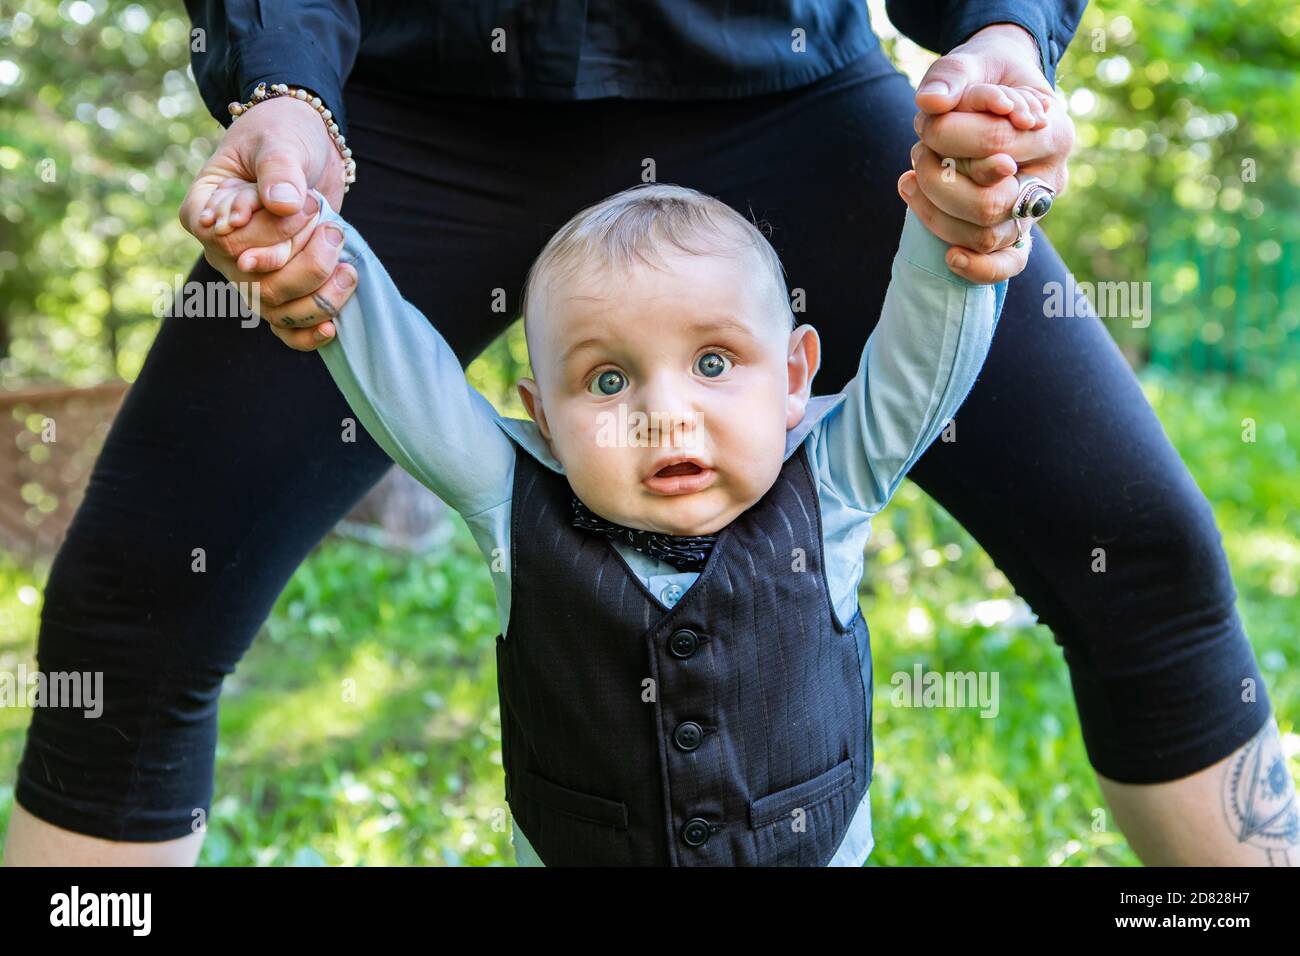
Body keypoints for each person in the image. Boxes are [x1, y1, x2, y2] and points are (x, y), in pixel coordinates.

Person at [5, 1, 1293, 866]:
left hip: (780, 78)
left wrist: (1001, 45)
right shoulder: (498, 468)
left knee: (1145, 555)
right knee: (134, 605)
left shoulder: (834, 464)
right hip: (407, 107)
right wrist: (285, 90)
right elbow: (374, 357)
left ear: (793, 373)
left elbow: (925, 355)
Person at [299, 176, 1005, 864]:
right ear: (544, 417)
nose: (665, 416)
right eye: (608, 380)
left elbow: (920, 370)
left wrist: (953, 221)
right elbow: (411, 388)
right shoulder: (513, 500)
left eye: (713, 361)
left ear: (793, 378)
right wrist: (308, 236)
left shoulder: (833, 482)